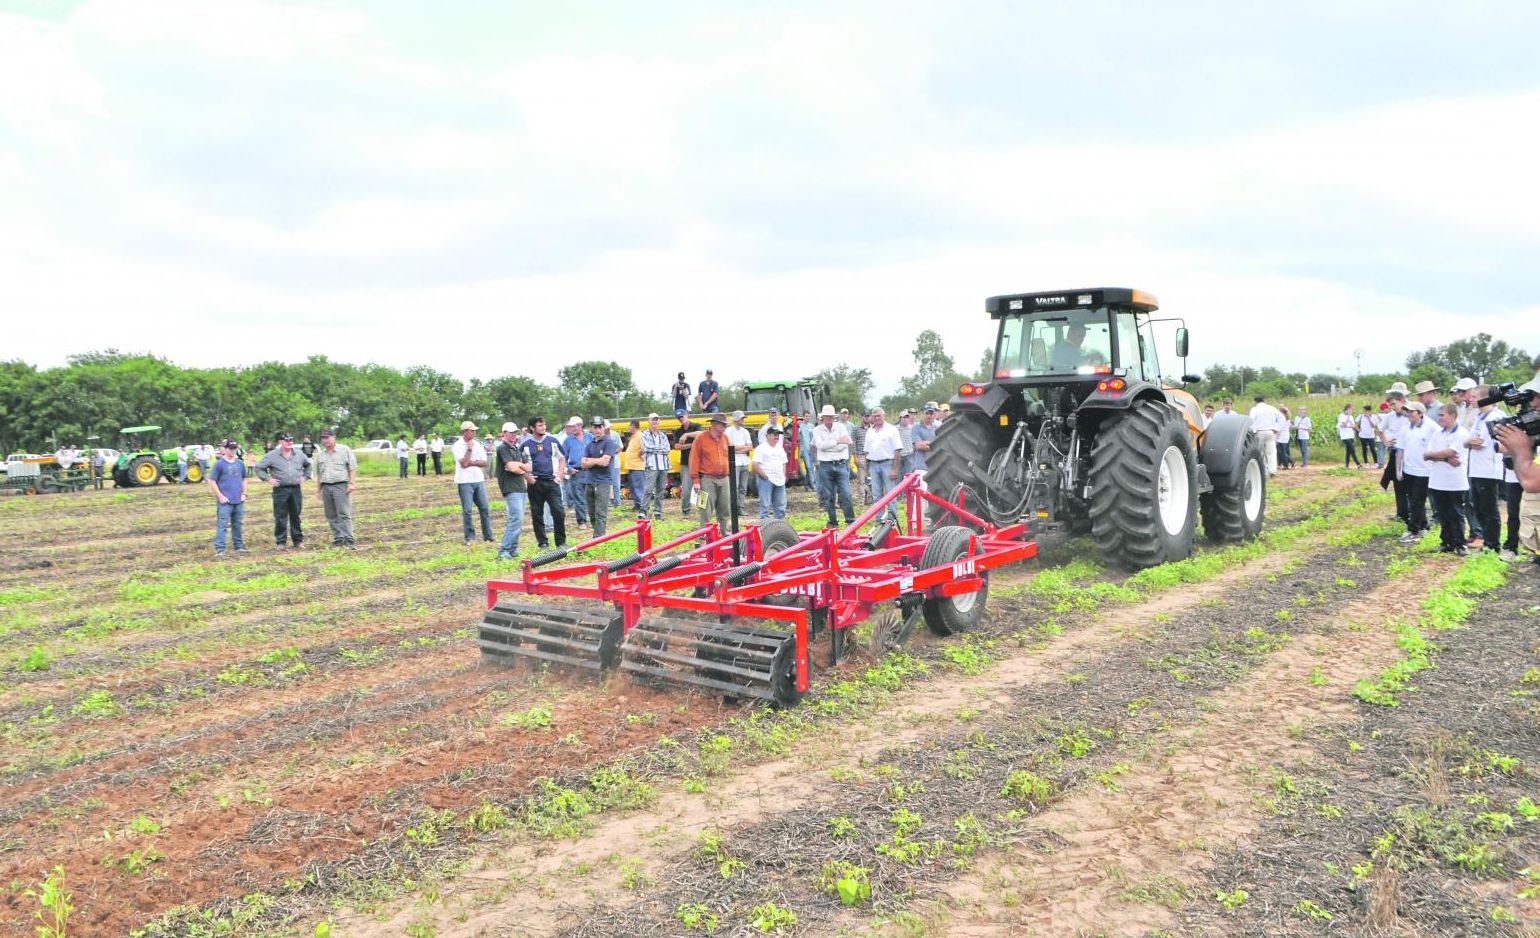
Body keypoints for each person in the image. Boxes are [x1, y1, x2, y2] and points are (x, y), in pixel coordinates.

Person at [1424, 406, 1471, 555]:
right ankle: (1446, 542)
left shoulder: (1462, 433)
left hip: (1455, 481)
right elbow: (1426, 454)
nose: (1440, 418)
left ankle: (1460, 544)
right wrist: (1445, 458)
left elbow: (1452, 452)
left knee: (1456, 513)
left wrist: (1439, 455)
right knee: (1442, 513)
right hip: (1438, 480)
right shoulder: (1437, 433)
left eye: (1442, 415)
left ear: (1452, 415)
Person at [255, 432, 311, 550]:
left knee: (296, 515)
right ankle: (281, 542)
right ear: (280, 442)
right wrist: (268, 479)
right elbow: (259, 468)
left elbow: (308, 465)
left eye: (291, 440)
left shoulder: (299, 454)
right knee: (280, 516)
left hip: (295, 489)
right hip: (280, 490)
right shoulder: (272, 455)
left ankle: (298, 540)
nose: (289, 442)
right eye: (286, 440)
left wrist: (305, 477)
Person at [520, 417, 567, 550]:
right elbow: (519, 464)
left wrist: (559, 476)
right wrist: (527, 477)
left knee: (558, 511)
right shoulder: (525, 445)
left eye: (544, 425)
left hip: (552, 482)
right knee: (537, 514)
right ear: (532, 428)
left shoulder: (552, 441)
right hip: (535, 483)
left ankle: (561, 542)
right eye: (540, 425)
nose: (543, 427)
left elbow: (562, 458)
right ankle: (543, 543)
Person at [1464, 397, 1503, 553]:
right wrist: (1469, 442)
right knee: (1478, 507)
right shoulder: (1479, 417)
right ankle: (1486, 540)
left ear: (1486, 398)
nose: (1472, 399)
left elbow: (1482, 443)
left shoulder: (1496, 417)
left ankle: (1493, 544)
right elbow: (1467, 441)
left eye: (1475, 396)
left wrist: (1470, 442)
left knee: (1489, 509)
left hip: (1488, 470)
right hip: (1476, 468)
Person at [314, 429, 358, 548]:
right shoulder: (320, 455)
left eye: (327, 437)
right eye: (323, 438)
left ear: (334, 437)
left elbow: (352, 468)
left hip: (341, 485)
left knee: (344, 513)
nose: (325, 440)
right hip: (326, 486)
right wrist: (319, 490)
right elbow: (319, 474)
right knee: (331, 514)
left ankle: (349, 538)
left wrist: (351, 483)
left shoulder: (344, 450)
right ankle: (338, 538)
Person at [814, 404, 856, 527]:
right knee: (828, 496)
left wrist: (829, 446)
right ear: (823, 417)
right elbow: (820, 446)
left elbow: (846, 444)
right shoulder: (817, 429)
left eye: (830, 416)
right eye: (826, 416)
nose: (828, 419)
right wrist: (837, 441)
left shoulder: (841, 427)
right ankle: (833, 521)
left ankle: (850, 521)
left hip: (840, 464)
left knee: (846, 493)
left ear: (833, 417)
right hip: (825, 465)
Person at [453, 420, 494, 545]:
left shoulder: (477, 444)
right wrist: (469, 450)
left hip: (478, 479)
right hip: (464, 481)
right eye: (472, 430)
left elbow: (484, 462)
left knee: (484, 508)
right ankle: (469, 537)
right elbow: (464, 464)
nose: (474, 432)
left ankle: (488, 535)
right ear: (465, 432)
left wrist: (472, 462)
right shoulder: (458, 445)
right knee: (467, 510)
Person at [577, 416, 619, 537]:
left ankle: (598, 538)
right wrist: (597, 461)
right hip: (590, 481)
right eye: (595, 427)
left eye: (600, 427)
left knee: (601, 512)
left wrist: (590, 460)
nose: (598, 430)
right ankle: (599, 536)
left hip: (603, 481)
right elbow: (583, 464)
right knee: (591, 512)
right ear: (591, 428)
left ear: (603, 427)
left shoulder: (609, 442)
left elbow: (605, 462)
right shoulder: (589, 444)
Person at [1397, 402, 1432, 542]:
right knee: (1412, 499)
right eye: (1407, 411)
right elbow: (1400, 450)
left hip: (1424, 470)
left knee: (1417, 500)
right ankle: (1423, 525)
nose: (1409, 414)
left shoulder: (1431, 428)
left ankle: (1414, 529)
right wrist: (1398, 469)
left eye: (1412, 411)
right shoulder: (1405, 429)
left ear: (1420, 413)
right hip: (1409, 469)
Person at [494, 422, 529, 560]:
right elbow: (510, 467)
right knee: (516, 519)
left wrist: (519, 467)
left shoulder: (516, 448)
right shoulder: (502, 448)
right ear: (504, 433)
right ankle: (504, 551)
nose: (514, 435)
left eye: (515, 433)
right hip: (510, 487)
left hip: (520, 487)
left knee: (518, 520)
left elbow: (526, 466)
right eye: (511, 433)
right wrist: (521, 467)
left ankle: (513, 549)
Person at [207, 440, 249, 557]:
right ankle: (220, 549)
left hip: (238, 500)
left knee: (238, 524)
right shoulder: (219, 464)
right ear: (225, 449)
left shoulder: (240, 463)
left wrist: (244, 494)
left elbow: (244, 478)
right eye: (230, 448)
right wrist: (220, 496)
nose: (233, 450)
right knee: (222, 525)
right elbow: (212, 481)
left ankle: (239, 546)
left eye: (234, 448)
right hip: (225, 501)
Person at [691, 412, 732, 529]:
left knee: (725, 510)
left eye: (725, 425)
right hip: (706, 479)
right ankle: (704, 536)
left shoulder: (725, 438)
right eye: (723, 425)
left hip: (724, 478)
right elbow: (694, 460)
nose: (725, 428)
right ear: (714, 424)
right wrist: (696, 481)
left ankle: (725, 536)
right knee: (705, 510)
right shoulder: (701, 438)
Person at [864, 406, 903, 523]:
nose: (877, 418)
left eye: (879, 416)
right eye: (874, 416)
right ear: (872, 417)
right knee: (876, 494)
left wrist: (895, 469)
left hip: (888, 463)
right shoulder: (869, 431)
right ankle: (879, 519)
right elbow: (866, 451)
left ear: (883, 416)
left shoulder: (891, 429)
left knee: (891, 494)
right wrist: (867, 470)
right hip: (873, 465)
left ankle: (892, 519)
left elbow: (897, 450)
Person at [753, 425, 789, 520]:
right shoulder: (761, 448)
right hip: (766, 479)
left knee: (780, 506)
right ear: (768, 435)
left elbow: (784, 463)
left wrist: (783, 476)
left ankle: (779, 527)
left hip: (779, 479)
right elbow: (755, 464)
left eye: (778, 435)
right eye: (774, 435)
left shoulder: (780, 448)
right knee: (765, 506)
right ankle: (765, 528)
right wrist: (764, 475)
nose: (776, 437)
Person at [560, 416, 590, 528]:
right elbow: (563, 456)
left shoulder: (590, 437)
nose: (572, 428)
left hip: (590, 471)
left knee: (591, 496)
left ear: (580, 426)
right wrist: (568, 468)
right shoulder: (568, 440)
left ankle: (593, 518)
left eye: (574, 426)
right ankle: (582, 521)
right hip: (576, 472)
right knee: (578, 497)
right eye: (571, 426)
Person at [640, 414, 672, 520]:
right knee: (648, 489)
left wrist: (656, 449)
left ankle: (658, 511)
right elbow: (646, 448)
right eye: (652, 420)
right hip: (652, 465)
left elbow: (667, 449)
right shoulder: (645, 434)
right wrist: (660, 448)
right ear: (648, 421)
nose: (655, 422)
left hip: (664, 466)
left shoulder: (663, 435)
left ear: (659, 422)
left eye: (656, 420)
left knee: (661, 490)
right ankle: (643, 511)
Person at [675, 412, 704, 516]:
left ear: (687, 416)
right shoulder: (678, 431)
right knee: (686, 488)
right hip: (686, 463)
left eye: (682, 416)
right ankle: (686, 510)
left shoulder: (696, 426)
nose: (681, 419)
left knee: (702, 487)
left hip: (700, 462)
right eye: (679, 418)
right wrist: (694, 444)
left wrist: (686, 434)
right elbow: (677, 446)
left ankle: (703, 509)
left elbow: (702, 434)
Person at [1249, 395, 1282, 476]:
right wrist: (1276, 428)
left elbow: (1251, 420)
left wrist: (1253, 431)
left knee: (1261, 452)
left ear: (1255, 401)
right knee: (1271, 452)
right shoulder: (1272, 408)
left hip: (1259, 432)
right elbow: (1281, 418)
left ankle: (1264, 470)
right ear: (1263, 400)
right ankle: (1272, 470)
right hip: (1271, 432)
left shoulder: (1254, 409)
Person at [622, 419, 647, 515]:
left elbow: (644, 447)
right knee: (633, 487)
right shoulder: (633, 436)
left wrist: (641, 454)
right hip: (632, 466)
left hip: (638, 466)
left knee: (638, 487)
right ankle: (637, 505)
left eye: (630, 426)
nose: (628, 428)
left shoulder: (640, 435)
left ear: (634, 426)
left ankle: (642, 506)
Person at [727, 411, 753, 498]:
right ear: (736, 419)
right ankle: (734, 508)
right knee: (735, 486)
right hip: (735, 463)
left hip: (744, 462)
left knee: (743, 488)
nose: (743, 420)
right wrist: (744, 447)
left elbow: (750, 447)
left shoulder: (745, 431)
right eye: (742, 418)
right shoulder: (728, 431)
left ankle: (741, 507)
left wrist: (739, 449)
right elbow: (730, 447)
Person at [910, 403, 938, 486]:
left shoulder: (938, 427)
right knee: (920, 494)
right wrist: (935, 444)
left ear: (934, 414)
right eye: (927, 413)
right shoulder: (916, 427)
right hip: (920, 467)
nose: (929, 416)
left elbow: (942, 445)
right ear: (923, 413)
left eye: (931, 413)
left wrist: (926, 443)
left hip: (934, 467)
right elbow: (918, 446)